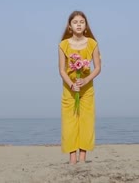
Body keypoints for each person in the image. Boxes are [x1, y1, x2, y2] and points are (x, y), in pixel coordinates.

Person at [58, 10, 102, 164]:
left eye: (81, 22)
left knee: (86, 122)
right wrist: (71, 84)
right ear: (70, 26)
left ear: (86, 26)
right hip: (69, 90)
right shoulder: (63, 45)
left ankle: (82, 156)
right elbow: (61, 70)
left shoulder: (92, 43)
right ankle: (72, 157)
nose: (78, 24)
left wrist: (86, 80)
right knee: (69, 123)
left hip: (87, 89)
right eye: (75, 22)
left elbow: (97, 67)